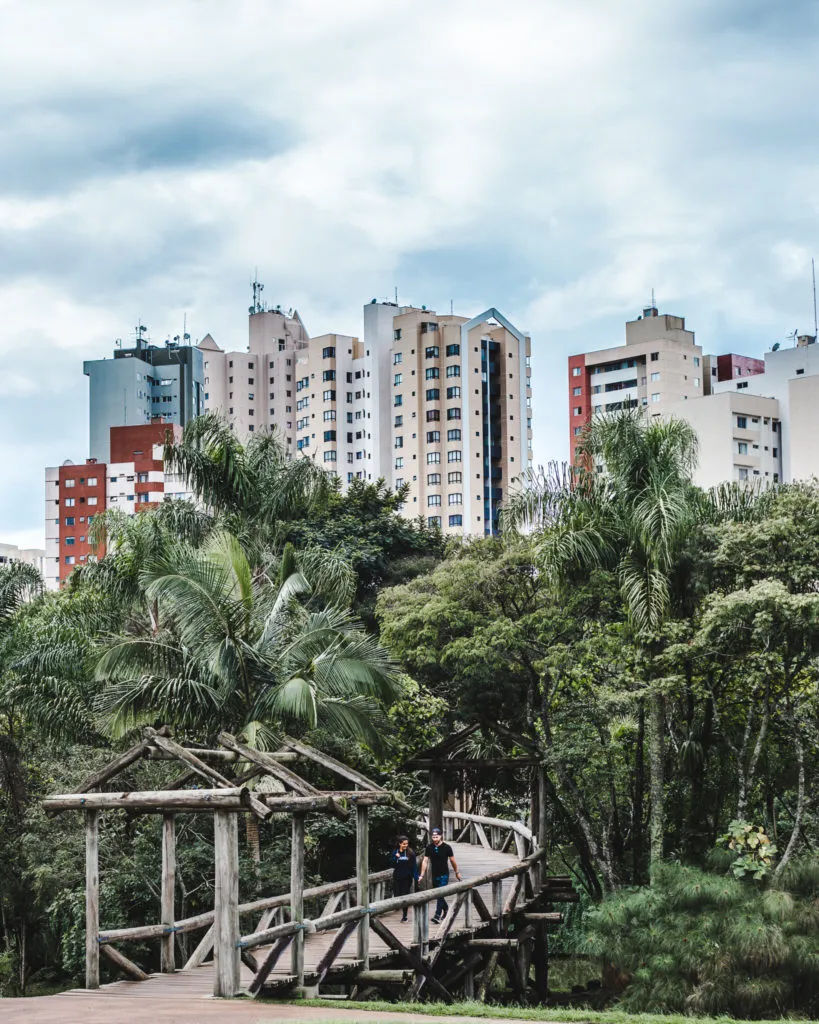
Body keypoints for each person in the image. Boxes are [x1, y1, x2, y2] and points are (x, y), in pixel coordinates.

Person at [418, 826, 461, 924]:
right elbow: (425, 860)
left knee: (440, 893)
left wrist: (457, 872)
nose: (435, 839)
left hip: (444, 874)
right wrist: (422, 874)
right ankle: (446, 909)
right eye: (433, 837)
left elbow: (452, 861)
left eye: (437, 837)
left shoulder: (447, 847)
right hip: (434, 874)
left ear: (441, 836)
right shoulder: (429, 847)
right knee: (438, 895)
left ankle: (437, 915)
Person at [389, 835, 418, 923]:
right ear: (399, 844)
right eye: (404, 844)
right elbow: (392, 864)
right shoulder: (395, 852)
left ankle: (405, 915)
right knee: (397, 895)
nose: (405, 846)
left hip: (407, 878)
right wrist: (396, 857)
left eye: (407, 844)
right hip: (397, 877)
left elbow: (414, 866)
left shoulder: (410, 853)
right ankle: (399, 910)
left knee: (404, 896)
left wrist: (416, 877)